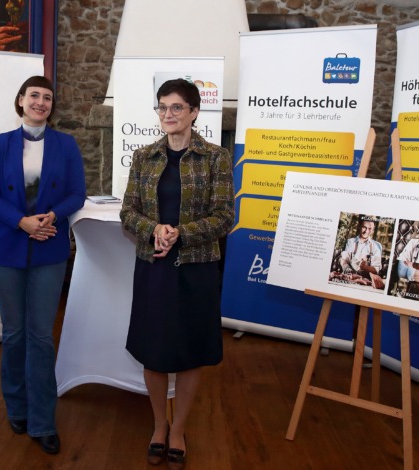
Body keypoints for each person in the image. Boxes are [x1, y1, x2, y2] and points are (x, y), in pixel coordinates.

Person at [120, 78, 234, 469]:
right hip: (154, 264)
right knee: (155, 350)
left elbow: (224, 216)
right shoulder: (144, 156)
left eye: (176, 108)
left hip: (196, 267)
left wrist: (180, 233)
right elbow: (128, 212)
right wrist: (154, 230)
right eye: (162, 108)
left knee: (189, 352)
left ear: (194, 112)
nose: (168, 115)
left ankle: (179, 428)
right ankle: (158, 425)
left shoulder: (217, 158)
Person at [0, 75, 86, 455]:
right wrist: (22, 222)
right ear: (21, 100)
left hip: (48, 248)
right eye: (35, 95)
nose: (41, 102)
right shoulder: (1, 144)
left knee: (40, 336)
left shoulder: (66, 145)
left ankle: (42, 420)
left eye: (48, 98)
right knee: (14, 333)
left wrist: (51, 217)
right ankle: (17, 407)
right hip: (4, 249)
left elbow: (78, 194)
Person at [336, 216, 385, 289]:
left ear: (373, 230)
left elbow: (376, 269)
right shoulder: (351, 242)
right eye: (364, 227)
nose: (366, 231)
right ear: (359, 226)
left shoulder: (376, 246)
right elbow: (344, 260)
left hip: (367, 281)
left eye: (370, 229)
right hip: (349, 278)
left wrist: (365, 267)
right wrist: (348, 270)